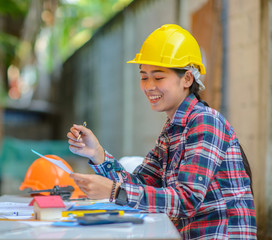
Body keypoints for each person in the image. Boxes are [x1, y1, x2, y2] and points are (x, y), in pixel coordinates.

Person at [66, 24, 257, 239]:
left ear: (187, 78)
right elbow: (140, 184)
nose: (148, 86)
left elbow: (187, 200)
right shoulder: (172, 129)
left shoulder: (205, 121)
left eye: (158, 78)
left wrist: (115, 191)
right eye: (144, 76)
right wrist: (97, 154)